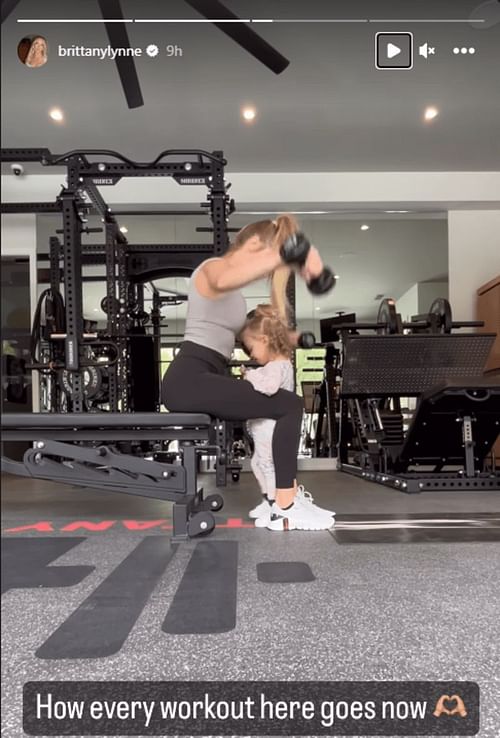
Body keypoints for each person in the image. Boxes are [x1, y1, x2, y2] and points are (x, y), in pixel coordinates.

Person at [161, 213, 335, 531]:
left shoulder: (237, 300)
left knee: (280, 406)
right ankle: (286, 504)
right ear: (253, 245)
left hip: (208, 375)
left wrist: (292, 339)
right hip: (188, 379)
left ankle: (274, 501)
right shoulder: (211, 271)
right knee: (290, 405)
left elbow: (257, 336)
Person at [240, 304, 336, 530]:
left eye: (251, 347)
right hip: (263, 426)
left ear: (264, 340)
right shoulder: (280, 364)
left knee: (268, 465)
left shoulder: (277, 366)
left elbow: (270, 387)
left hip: (269, 428)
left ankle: (277, 506)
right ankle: (268, 501)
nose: (251, 354)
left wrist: (249, 375)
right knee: (259, 463)